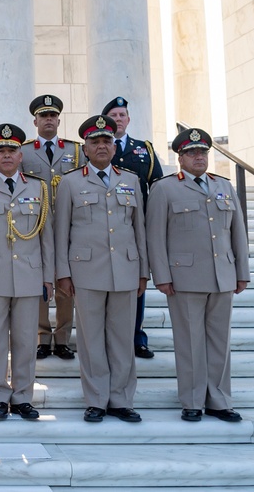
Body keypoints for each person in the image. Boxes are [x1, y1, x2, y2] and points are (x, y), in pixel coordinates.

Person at [146, 127, 250, 423]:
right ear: (180, 158)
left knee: (219, 341)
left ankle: (219, 399)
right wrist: (161, 276)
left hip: (222, 276)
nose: (198, 157)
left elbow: (237, 233)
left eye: (202, 152)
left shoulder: (224, 186)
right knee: (190, 341)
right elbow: (155, 236)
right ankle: (192, 400)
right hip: (184, 278)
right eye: (191, 153)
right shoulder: (165, 189)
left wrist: (241, 271)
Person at [54, 115, 148, 423]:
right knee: (91, 339)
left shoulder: (131, 180)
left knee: (122, 338)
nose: (102, 146)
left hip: (125, 268)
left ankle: (120, 399)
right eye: (95, 142)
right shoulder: (70, 182)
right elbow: (61, 231)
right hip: (86, 271)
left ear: (114, 144)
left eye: (107, 140)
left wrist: (143, 271)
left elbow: (139, 229)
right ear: (86, 147)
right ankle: (96, 399)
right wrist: (63, 273)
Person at [0, 123, 53, 421]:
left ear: (21, 155)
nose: (6, 155)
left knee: (26, 339)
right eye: (1, 150)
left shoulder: (38, 187)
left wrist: (48, 276)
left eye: (12, 150)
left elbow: (47, 236)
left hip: (30, 274)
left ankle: (22, 396)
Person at [20, 94, 85, 361]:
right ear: (35, 121)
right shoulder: (23, 151)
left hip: (68, 226)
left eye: (52, 116)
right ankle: (42, 337)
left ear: (59, 120)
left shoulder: (76, 150)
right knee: (39, 283)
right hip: (35, 226)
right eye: (43, 116)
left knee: (66, 285)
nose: (48, 119)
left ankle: (62, 339)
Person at [104, 96, 163, 359]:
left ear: (128, 119)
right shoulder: (96, 146)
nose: (118, 119)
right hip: (104, 226)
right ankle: (107, 337)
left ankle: (137, 338)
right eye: (113, 115)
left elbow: (158, 186)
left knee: (136, 285)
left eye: (122, 115)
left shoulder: (144, 149)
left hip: (135, 226)